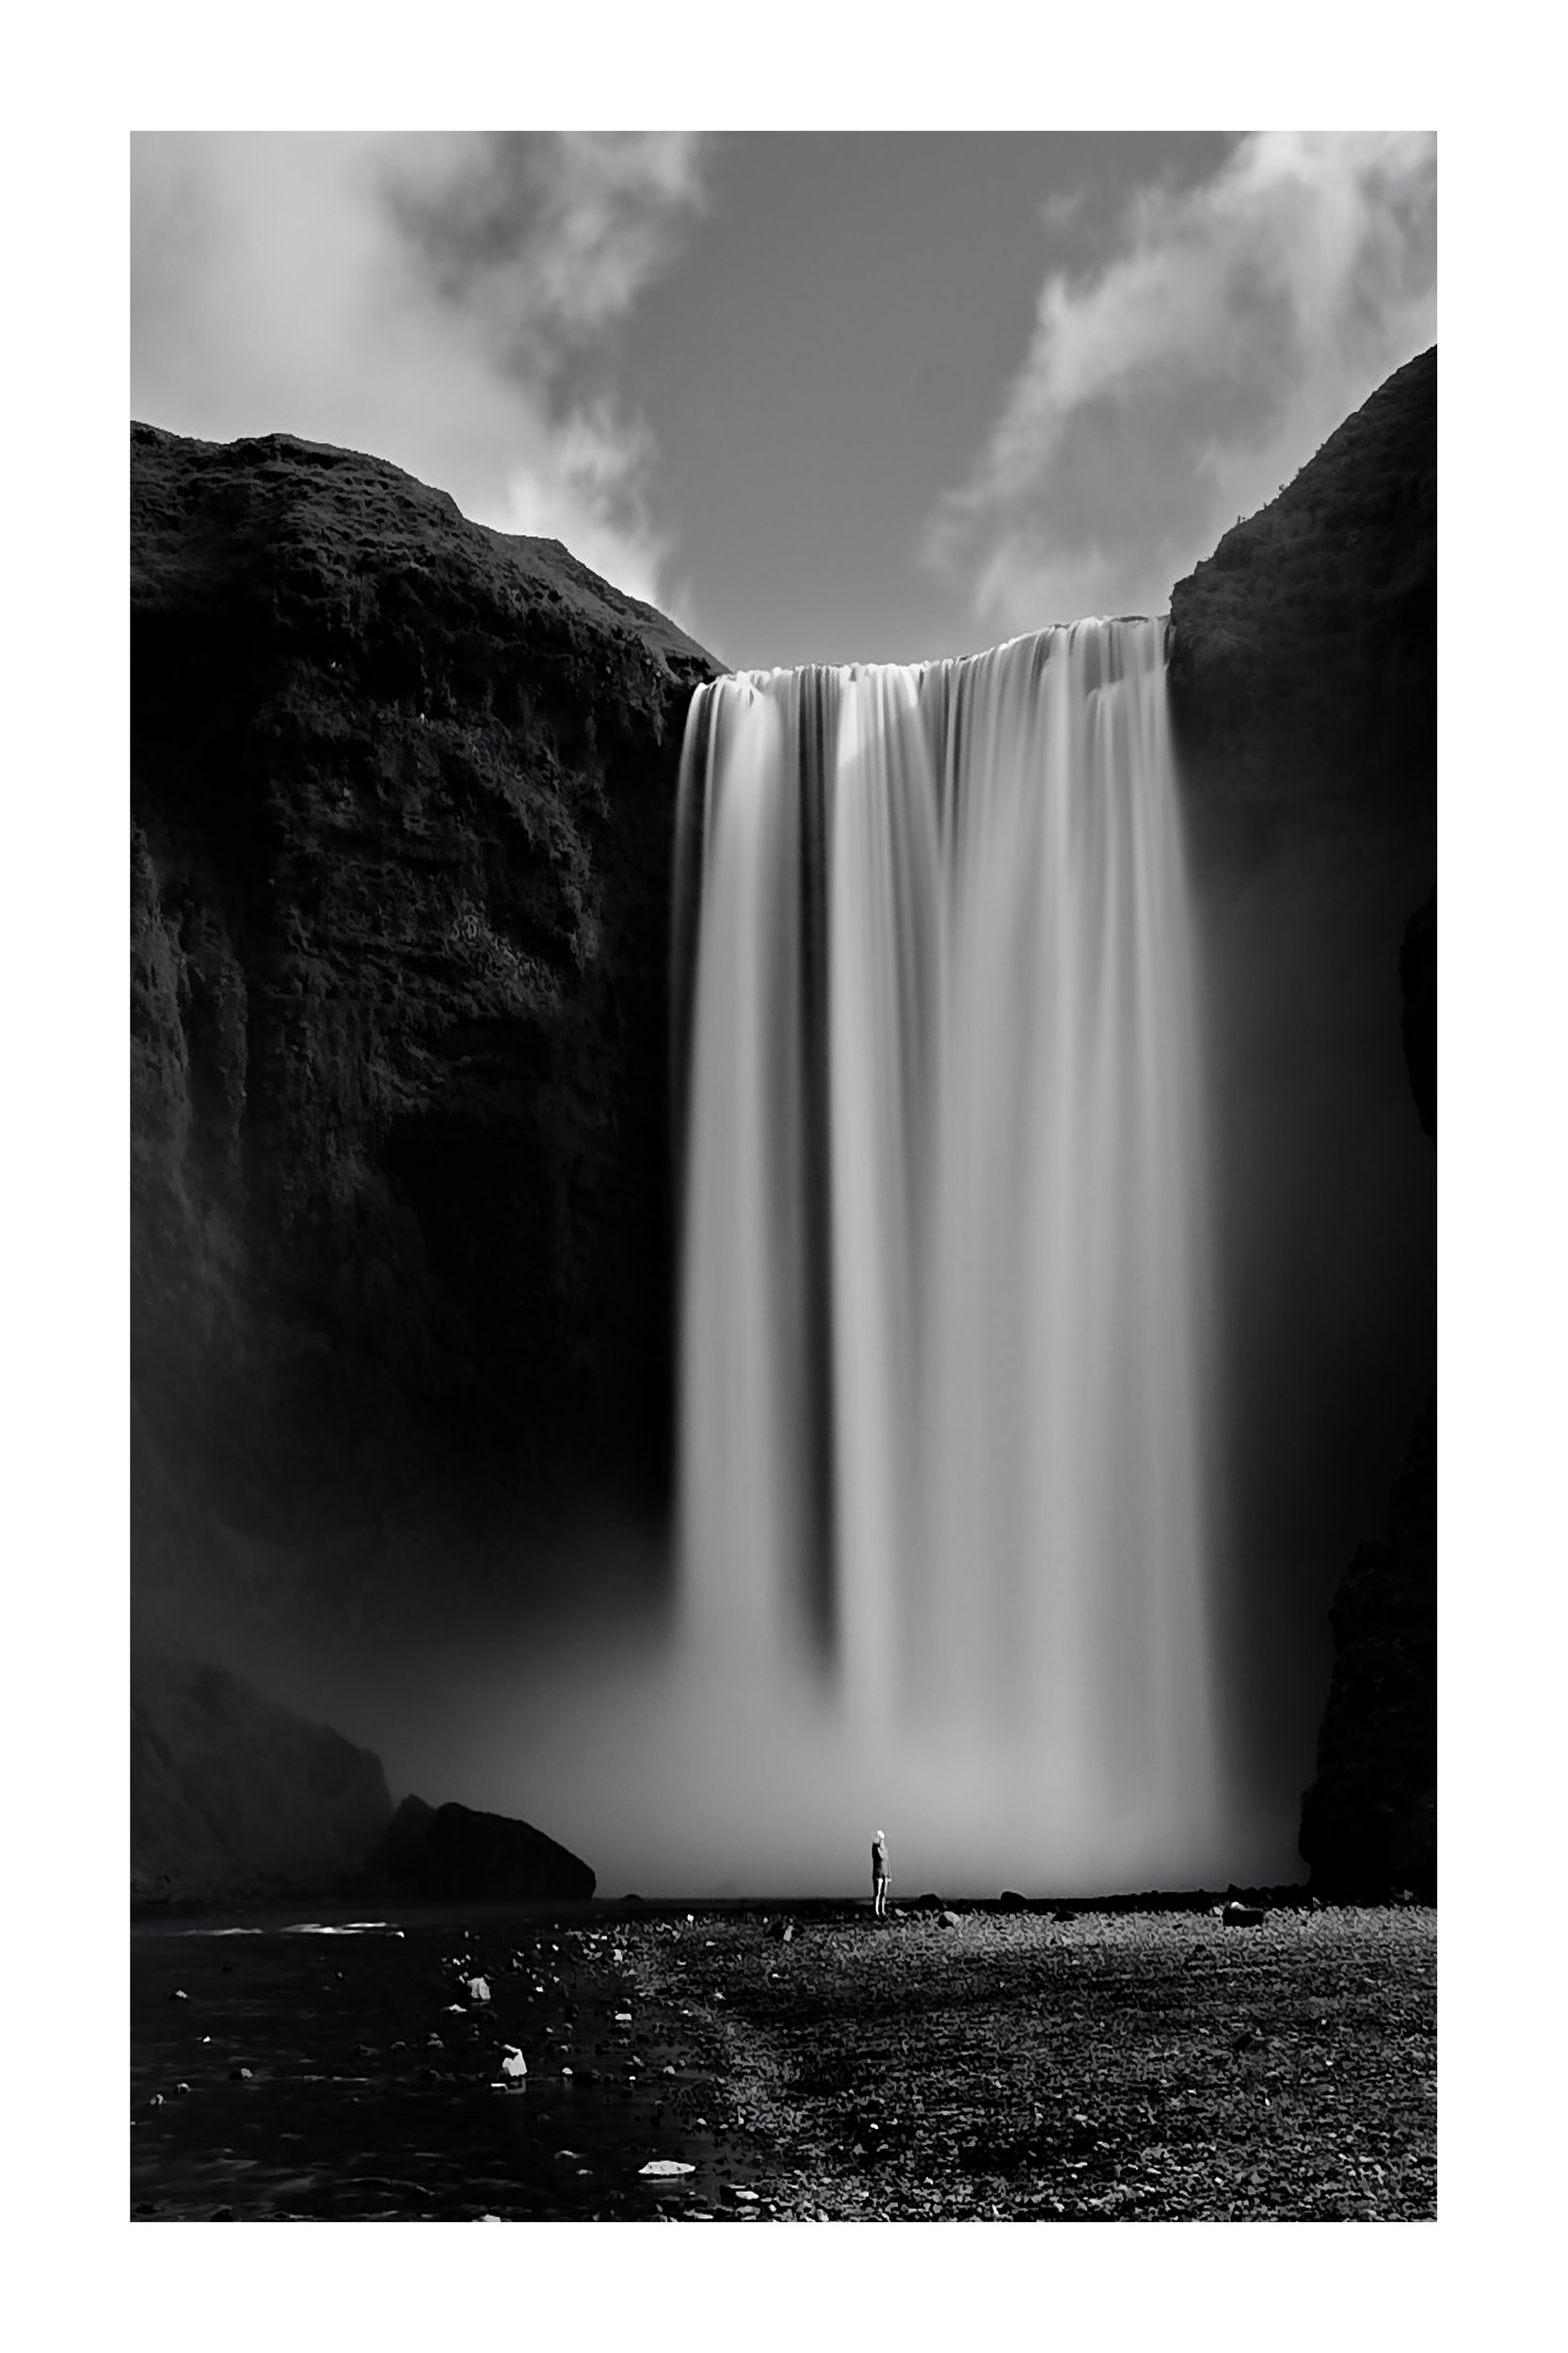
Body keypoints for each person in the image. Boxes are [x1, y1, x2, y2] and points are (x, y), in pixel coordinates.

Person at [871, 1830, 890, 1918]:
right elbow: (881, 1856)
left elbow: (887, 1861)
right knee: (877, 1894)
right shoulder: (875, 1849)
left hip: (885, 1874)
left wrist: (889, 1875)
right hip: (878, 1874)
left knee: (883, 1894)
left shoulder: (884, 1848)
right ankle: (876, 1911)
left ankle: (882, 1910)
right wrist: (883, 1849)